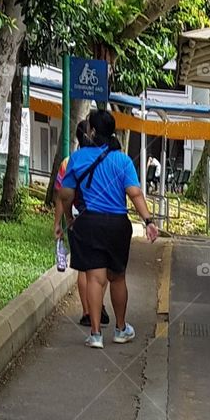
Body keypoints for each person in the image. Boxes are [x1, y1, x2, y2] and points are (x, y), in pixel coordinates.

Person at [56, 109, 159, 349]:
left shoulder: (78, 158)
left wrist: (69, 218)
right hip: (117, 225)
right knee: (117, 277)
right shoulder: (122, 160)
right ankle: (121, 329)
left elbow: (66, 194)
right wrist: (149, 221)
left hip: (89, 222)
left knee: (95, 277)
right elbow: (135, 193)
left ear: (92, 131)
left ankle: (95, 334)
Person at [54, 122, 109, 328]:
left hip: (76, 216)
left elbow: (62, 196)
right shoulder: (104, 158)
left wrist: (60, 222)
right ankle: (98, 306)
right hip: (98, 216)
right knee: (100, 266)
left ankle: (87, 311)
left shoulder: (68, 161)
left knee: (84, 269)